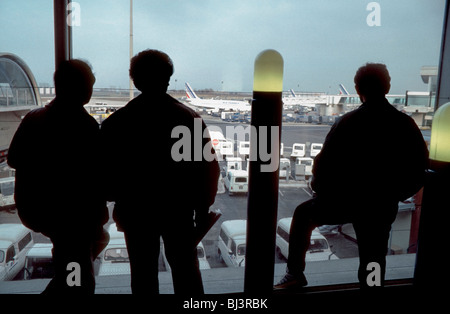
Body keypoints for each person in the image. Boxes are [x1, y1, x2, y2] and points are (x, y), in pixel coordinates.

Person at [275, 63, 428, 290]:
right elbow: (419, 167)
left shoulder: (347, 123)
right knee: (373, 259)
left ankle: (295, 273)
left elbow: (323, 165)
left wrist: (322, 190)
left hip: (346, 201)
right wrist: (396, 194)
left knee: (303, 215)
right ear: (387, 87)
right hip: (380, 204)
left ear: (358, 90)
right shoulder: (404, 124)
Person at [100, 49, 220, 294]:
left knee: (142, 275)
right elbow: (208, 170)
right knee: (187, 272)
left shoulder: (116, 123)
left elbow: (104, 174)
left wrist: (118, 196)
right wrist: (202, 208)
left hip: (135, 211)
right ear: (167, 79)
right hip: (179, 210)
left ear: (135, 80)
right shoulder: (189, 119)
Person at [7, 59, 109, 294]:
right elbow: (97, 174)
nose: (90, 91)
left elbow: (13, 159)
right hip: (73, 216)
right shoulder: (85, 126)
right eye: (88, 85)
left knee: (72, 272)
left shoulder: (34, 118)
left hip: (40, 211)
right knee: (79, 280)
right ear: (77, 87)